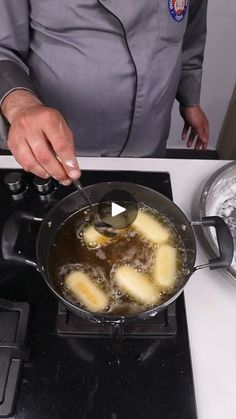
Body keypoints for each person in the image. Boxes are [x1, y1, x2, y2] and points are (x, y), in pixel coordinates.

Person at [0, 0, 209, 184]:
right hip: (59, 146)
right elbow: (3, 49)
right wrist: (21, 105)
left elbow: (191, 27)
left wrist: (189, 98)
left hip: (150, 135)